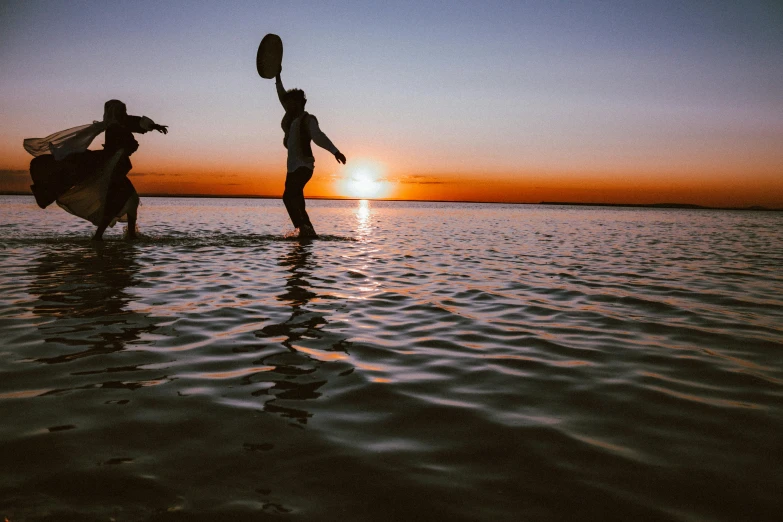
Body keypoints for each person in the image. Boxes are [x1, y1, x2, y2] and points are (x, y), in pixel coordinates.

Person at [23, 99, 168, 240]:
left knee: (130, 199)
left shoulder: (118, 125)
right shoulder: (114, 127)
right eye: (121, 110)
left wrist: (154, 126)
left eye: (124, 110)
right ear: (115, 113)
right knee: (120, 200)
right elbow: (126, 137)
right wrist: (144, 134)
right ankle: (105, 236)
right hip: (113, 169)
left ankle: (127, 234)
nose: (125, 113)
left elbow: (135, 123)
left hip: (116, 169)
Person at [275, 70, 346, 238]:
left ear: (299, 103)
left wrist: (335, 151)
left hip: (304, 166)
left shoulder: (308, 119)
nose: (288, 106)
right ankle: (309, 234)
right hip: (292, 168)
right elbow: (281, 97)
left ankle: (303, 230)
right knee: (298, 203)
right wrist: (277, 77)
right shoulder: (292, 118)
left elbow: (318, 136)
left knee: (288, 197)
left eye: (291, 103)